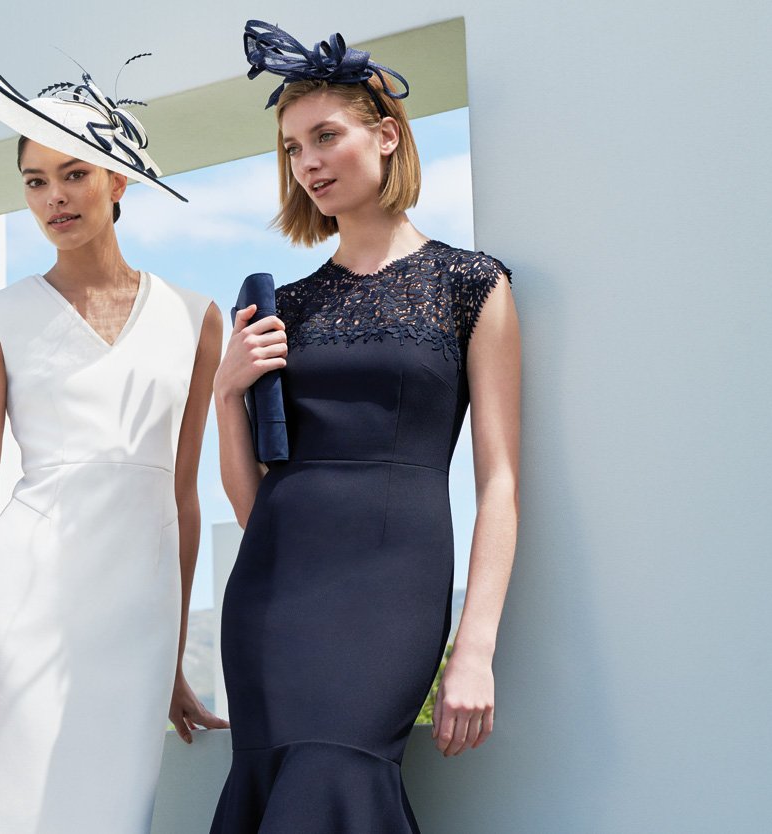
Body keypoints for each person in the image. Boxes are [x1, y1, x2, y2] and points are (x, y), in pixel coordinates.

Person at [209, 21, 521, 832]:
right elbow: (257, 508)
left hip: (392, 592)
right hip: (274, 595)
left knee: (333, 771)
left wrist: (474, 648)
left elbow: (500, 482)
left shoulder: (470, 285)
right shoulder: (289, 308)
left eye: (324, 136)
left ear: (386, 136)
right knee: (281, 777)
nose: (307, 162)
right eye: (290, 148)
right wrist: (224, 394)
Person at [0, 55, 226, 833]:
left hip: (136, 625)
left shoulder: (197, 318)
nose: (53, 197)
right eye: (34, 181)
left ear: (119, 182)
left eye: (74, 173)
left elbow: (183, 496)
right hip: (19, 614)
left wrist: (177, 658)